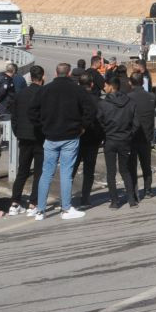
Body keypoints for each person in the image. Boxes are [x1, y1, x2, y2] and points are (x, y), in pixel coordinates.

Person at [29, 62, 96, 221]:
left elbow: (31, 111)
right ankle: (66, 209)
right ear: (69, 73)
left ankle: (40, 210)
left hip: (50, 136)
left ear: (55, 72)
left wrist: (42, 126)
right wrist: (83, 127)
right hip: (70, 136)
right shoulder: (77, 90)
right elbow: (90, 109)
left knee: (46, 173)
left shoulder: (45, 90)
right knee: (66, 173)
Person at [8, 64, 45, 214]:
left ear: (29, 77)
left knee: (22, 170)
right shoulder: (44, 93)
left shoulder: (20, 94)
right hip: (40, 137)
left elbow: (14, 117)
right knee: (39, 172)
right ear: (42, 77)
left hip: (23, 137)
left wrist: (18, 132)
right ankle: (33, 203)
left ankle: (15, 203)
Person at [97, 76, 139, 208]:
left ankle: (115, 201)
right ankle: (131, 199)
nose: (104, 87)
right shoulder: (130, 102)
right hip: (125, 139)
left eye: (105, 85)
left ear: (111, 86)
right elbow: (136, 123)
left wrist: (106, 132)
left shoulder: (103, 104)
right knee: (125, 170)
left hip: (110, 139)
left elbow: (99, 122)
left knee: (111, 172)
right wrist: (129, 134)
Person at [72, 72, 104, 208]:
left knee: (71, 169)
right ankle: (85, 198)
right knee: (89, 170)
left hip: (76, 138)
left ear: (79, 83)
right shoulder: (98, 101)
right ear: (91, 84)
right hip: (93, 140)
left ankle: (66, 198)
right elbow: (103, 121)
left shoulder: (74, 99)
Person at [126, 71, 156, 198]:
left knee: (132, 166)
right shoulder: (151, 96)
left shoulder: (127, 97)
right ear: (143, 82)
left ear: (130, 83)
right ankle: (148, 190)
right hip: (146, 136)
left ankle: (134, 191)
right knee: (146, 165)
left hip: (132, 136)